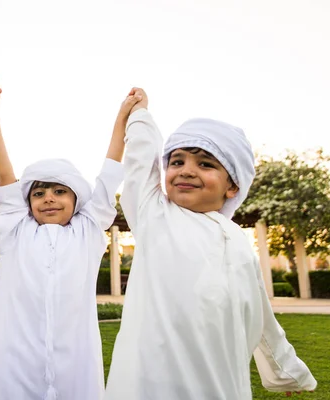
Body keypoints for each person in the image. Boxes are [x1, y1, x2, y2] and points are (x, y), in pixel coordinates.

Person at [105, 88, 317, 399]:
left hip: (220, 381)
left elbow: (261, 317)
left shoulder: (238, 243)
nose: (186, 170)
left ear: (233, 185)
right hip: (151, 382)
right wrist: (140, 114)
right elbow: (140, 158)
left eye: (206, 164)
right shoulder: (154, 215)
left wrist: (287, 372)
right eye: (176, 161)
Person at [0, 87, 142, 400]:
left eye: (60, 191)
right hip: (13, 358)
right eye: (38, 193)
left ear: (78, 200)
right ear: (27, 203)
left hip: (73, 361)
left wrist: (123, 117)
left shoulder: (88, 231)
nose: (48, 198)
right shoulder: (16, 230)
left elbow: (111, 170)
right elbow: (5, 171)